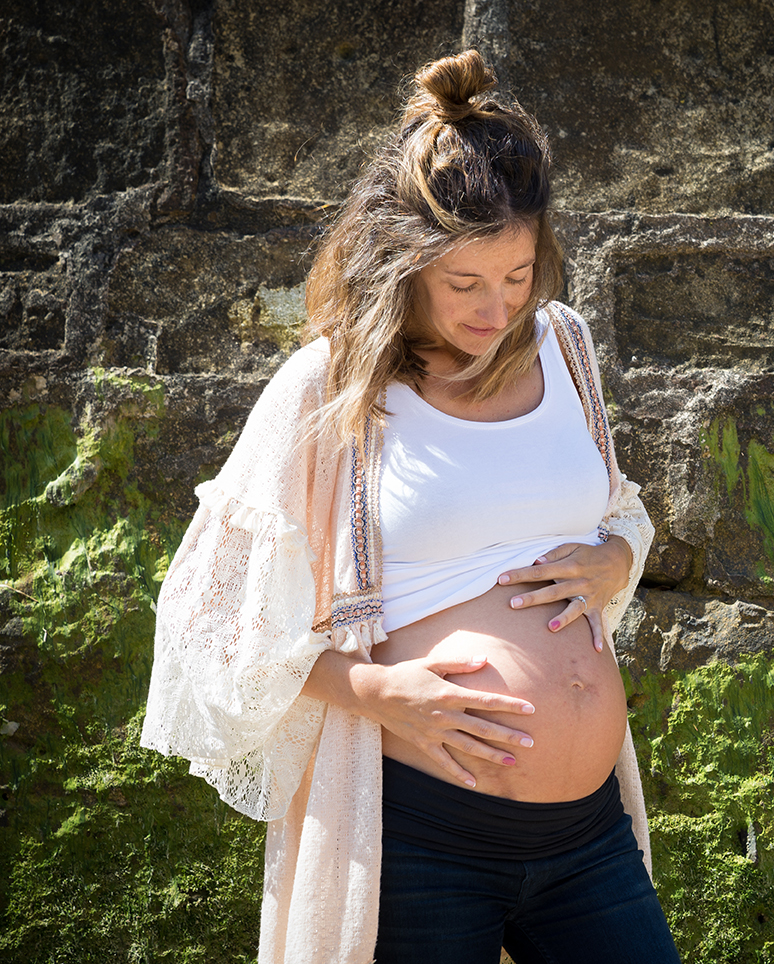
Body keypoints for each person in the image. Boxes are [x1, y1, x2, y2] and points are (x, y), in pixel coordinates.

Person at [140, 49, 680, 964]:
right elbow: (204, 609)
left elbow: (613, 508)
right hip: (422, 840)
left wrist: (620, 557)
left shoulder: (566, 347)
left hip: (586, 837)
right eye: (464, 283)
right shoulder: (332, 388)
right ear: (402, 260)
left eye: (516, 275)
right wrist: (374, 690)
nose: (497, 307)